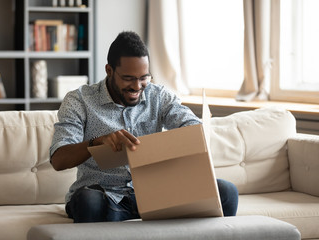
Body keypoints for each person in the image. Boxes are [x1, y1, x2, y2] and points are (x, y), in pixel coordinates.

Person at [50, 31, 238, 223]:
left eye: (144, 77)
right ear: (109, 71)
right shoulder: (80, 100)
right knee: (88, 201)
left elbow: (192, 128)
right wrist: (96, 142)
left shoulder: (159, 96)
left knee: (226, 192)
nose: (137, 86)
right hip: (107, 196)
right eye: (128, 78)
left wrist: (181, 142)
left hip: (157, 195)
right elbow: (59, 159)